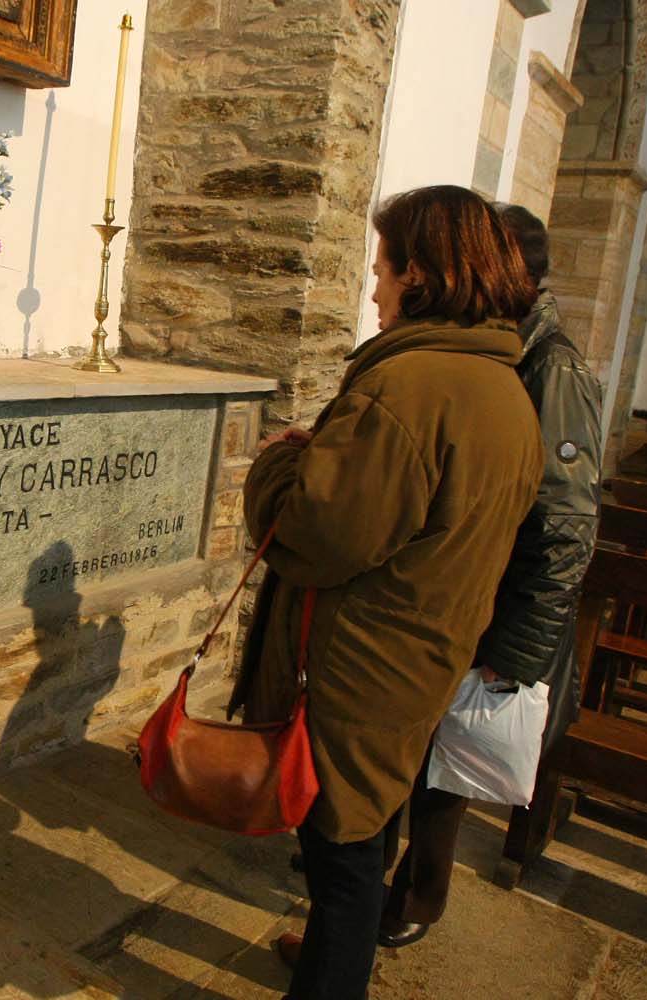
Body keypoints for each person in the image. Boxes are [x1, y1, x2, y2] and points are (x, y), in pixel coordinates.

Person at [226, 184, 545, 1000]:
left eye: (382, 270)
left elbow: (321, 534)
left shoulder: (409, 386)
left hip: (359, 667)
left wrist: (278, 466)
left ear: (423, 275)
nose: (373, 288)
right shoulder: (502, 386)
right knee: (364, 834)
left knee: (343, 854)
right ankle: (340, 964)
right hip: (421, 653)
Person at [376, 202, 603, 948]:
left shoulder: (552, 364)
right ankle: (373, 892)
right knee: (417, 756)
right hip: (458, 599)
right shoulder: (501, 344)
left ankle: (416, 901)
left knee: (449, 773)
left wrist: (519, 652)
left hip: (499, 613)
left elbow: (565, 523)